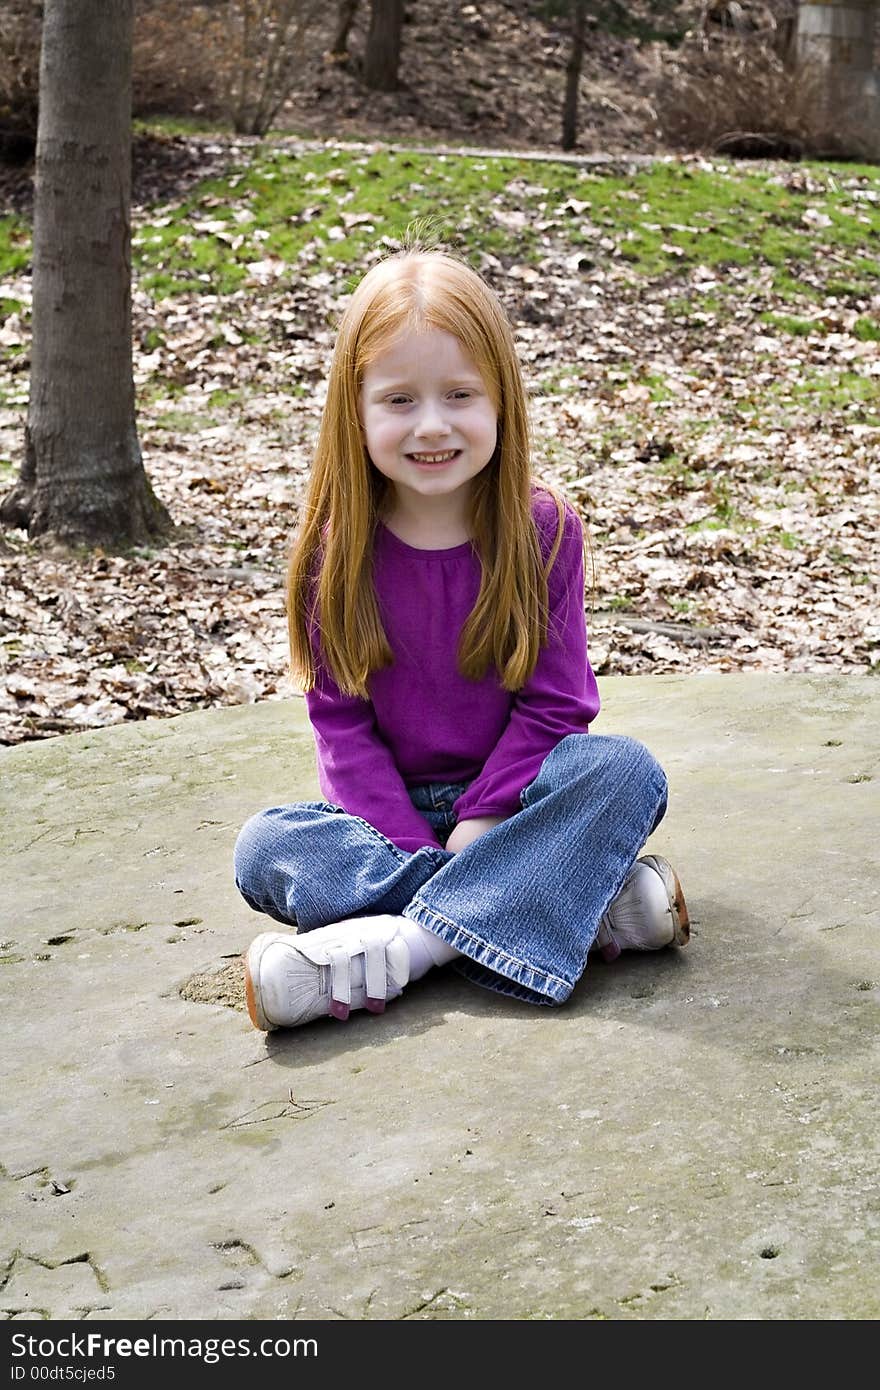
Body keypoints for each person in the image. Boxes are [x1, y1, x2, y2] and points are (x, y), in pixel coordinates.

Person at [234, 246, 689, 1033]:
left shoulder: (541, 530)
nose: (433, 425)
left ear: (502, 399)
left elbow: (556, 708)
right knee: (265, 847)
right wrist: (420, 842)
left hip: (524, 803)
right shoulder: (332, 551)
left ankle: (405, 949)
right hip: (387, 826)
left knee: (624, 772)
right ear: (357, 409)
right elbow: (341, 730)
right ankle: (574, 901)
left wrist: (480, 825)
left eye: (459, 394)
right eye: (400, 399)